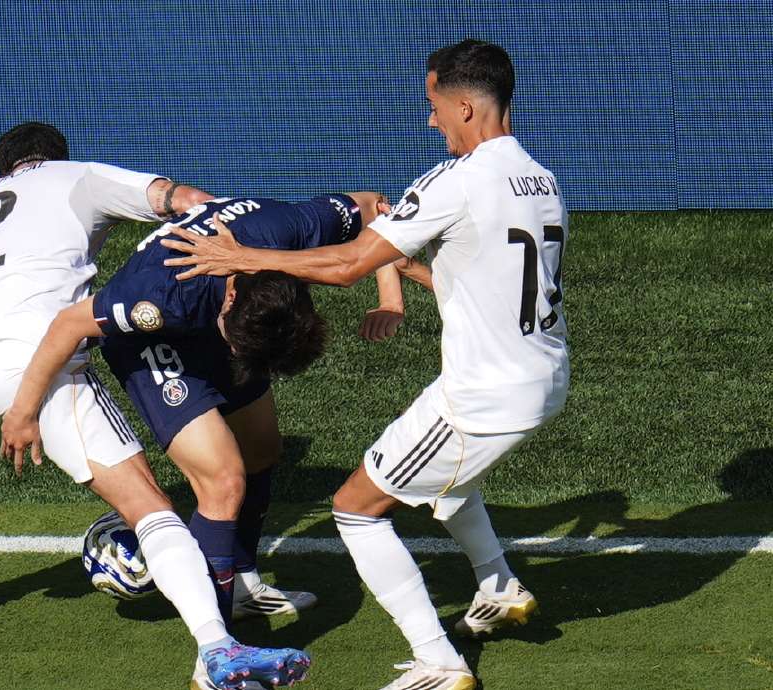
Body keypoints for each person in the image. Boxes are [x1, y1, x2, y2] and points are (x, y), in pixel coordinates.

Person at [162, 40, 569, 690]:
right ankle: (498, 584)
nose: (430, 121)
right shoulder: (541, 179)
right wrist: (406, 270)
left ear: (464, 105)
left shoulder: (457, 180)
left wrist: (246, 259)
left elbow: (348, 262)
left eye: (435, 107)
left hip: (485, 394)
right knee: (448, 478)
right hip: (544, 374)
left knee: (356, 506)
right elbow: (481, 281)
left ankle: (440, 663)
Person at [0, 122, 309, 690]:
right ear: (54, 157)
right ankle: (218, 649)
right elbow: (186, 203)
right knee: (148, 506)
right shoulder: (78, 177)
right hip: (38, 358)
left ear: (4, 169)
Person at [1, 191, 385, 689]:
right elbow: (68, 324)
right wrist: (23, 411)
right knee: (223, 483)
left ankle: (241, 584)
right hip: (155, 345)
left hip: (214, 323)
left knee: (263, 450)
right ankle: (214, 655)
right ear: (229, 299)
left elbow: (376, 209)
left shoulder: (288, 229)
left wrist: (389, 298)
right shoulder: (156, 297)